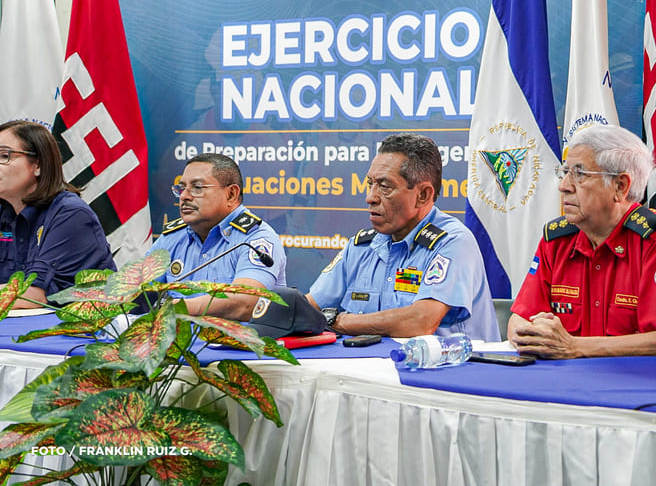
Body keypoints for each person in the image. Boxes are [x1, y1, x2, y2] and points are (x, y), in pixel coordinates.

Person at [508, 124, 656, 359]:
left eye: (579, 174)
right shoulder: (557, 241)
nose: (563, 186)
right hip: (566, 379)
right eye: (565, 172)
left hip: (638, 381)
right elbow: (519, 318)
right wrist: (532, 333)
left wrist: (574, 347)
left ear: (620, 186)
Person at [307, 133, 500, 341]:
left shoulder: (453, 242)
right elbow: (310, 306)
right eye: (370, 184)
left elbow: (420, 322)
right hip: (371, 361)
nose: (370, 197)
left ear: (423, 195)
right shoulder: (361, 246)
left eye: (385, 187)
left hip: (446, 362)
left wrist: (338, 322)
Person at [148, 153, 286, 321]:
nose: (184, 196)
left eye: (197, 187)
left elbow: (246, 303)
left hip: (235, 339)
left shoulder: (255, 239)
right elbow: (137, 292)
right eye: (182, 188)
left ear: (231, 195)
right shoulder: (172, 238)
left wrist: (175, 308)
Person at [0, 120, 116, 308]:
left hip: (84, 325)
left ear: (38, 165)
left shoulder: (70, 214)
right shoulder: (5, 212)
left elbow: (33, 296)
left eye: (4, 156)